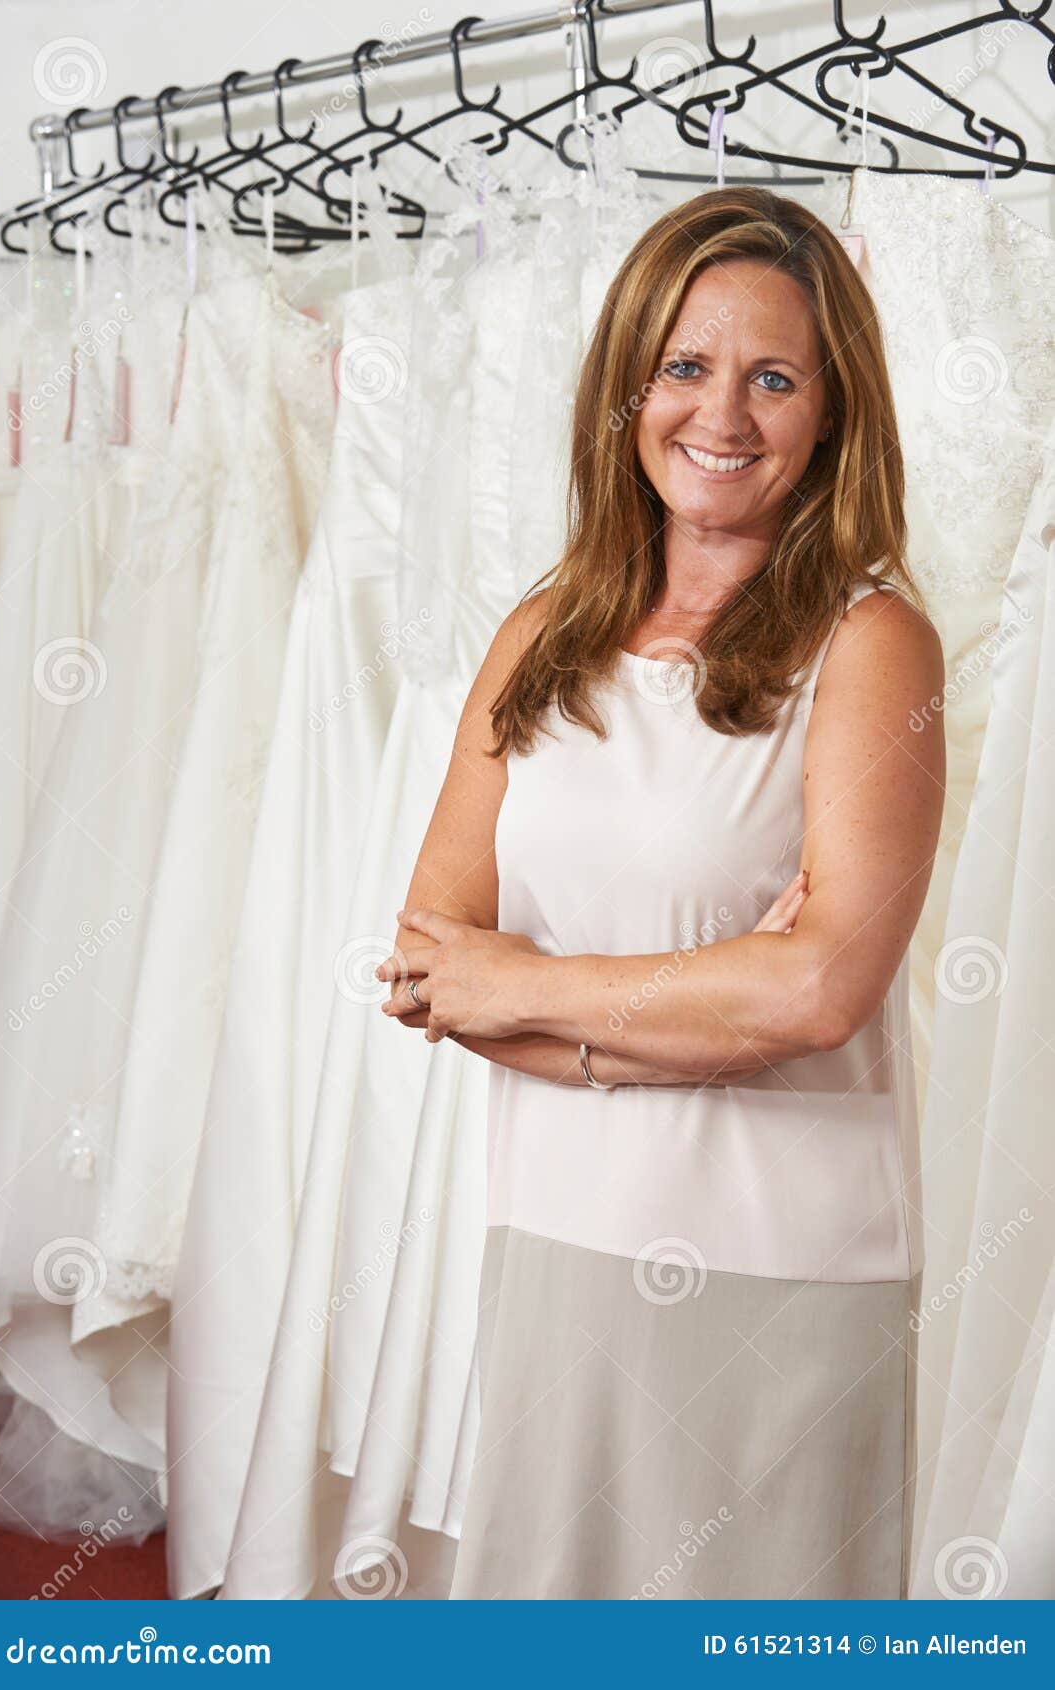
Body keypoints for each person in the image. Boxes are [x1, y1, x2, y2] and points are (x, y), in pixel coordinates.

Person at [376, 186, 946, 1600]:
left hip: (786, 1279)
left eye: (773, 377)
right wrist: (696, 1005)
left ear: (832, 410)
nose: (725, 417)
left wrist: (539, 989)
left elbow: (821, 989)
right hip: (559, 1243)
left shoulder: (871, 644)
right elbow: (429, 971)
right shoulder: (541, 637)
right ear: (629, 384)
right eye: (686, 366)